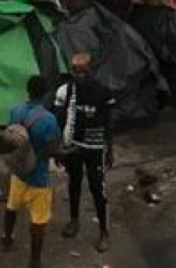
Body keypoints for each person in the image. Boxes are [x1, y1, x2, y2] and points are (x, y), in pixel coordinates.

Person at [53, 53, 116, 252]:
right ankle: (74, 220)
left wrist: (110, 149)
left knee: (97, 187)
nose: (80, 75)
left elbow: (109, 122)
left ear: (91, 70)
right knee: (74, 182)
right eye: (76, 71)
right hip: (73, 145)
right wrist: (59, 148)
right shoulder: (65, 91)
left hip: (95, 145)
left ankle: (104, 231)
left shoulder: (103, 91)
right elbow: (59, 120)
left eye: (84, 71)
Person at [2, 76, 62, 268]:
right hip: (38, 177)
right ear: (45, 94)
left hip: (19, 171)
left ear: (28, 90)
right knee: (39, 221)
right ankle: (34, 260)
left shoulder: (15, 111)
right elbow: (52, 149)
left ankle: (7, 238)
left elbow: (11, 136)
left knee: (11, 207)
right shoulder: (49, 120)